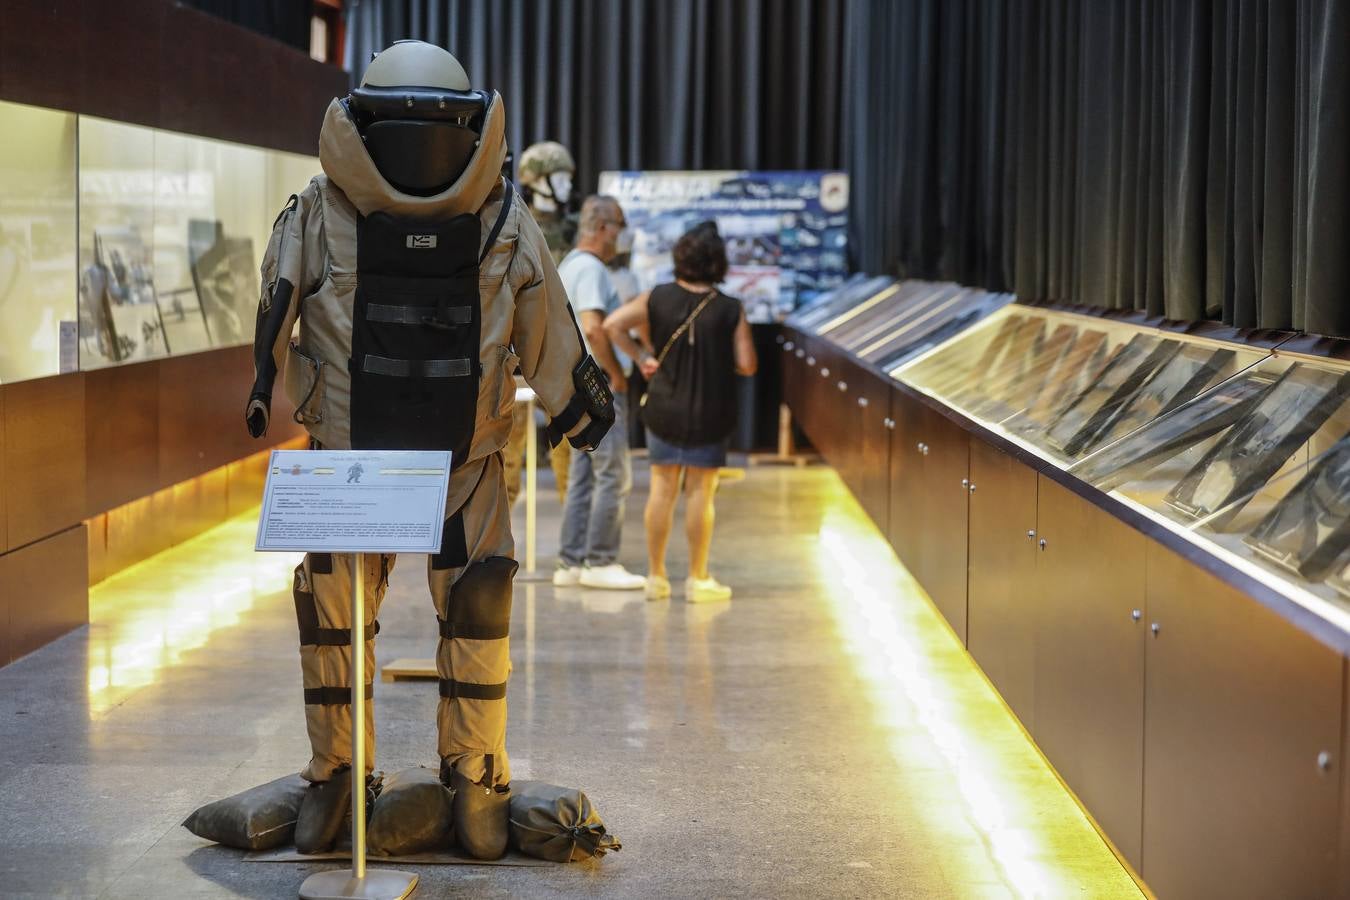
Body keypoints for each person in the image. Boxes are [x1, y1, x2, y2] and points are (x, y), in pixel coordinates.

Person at [243, 40, 614, 860]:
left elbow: (273, 309)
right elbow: (548, 328)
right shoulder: (502, 216)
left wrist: (266, 389)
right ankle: (476, 780)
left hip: (347, 458)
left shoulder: (318, 207)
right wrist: (582, 413)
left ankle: (337, 774)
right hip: (468, 458)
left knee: (333, 619)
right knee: (478, 612)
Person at [603, 221, 757, 602]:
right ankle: (697, 579)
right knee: (701, 493)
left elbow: (612, 325)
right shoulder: (729, 308)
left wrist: (641, 356)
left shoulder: (657, 297)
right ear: (718, 262)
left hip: (665, 407)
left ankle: (656, 577)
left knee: (662, 489)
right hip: (711, 410)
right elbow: (748, 364)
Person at [553, 196, 646, 590]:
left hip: (574, 385)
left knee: (584, 473)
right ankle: (601, 560)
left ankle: (572, 561)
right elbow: (594, 327)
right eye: (619, 226)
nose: (621, 236)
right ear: (605, 227)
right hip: (597, 386)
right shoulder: (591, 270)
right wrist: (614, 373)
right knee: (613, 474)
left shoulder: (570, 265)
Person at [501, 140, 580, 506]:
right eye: (558, 177)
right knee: (508, 444)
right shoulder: (515, 222)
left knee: (569, 441)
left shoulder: (576, 228)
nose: (566, 185)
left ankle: (573, 539)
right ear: (538, 180)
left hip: (559, 345)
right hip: (520, 344)